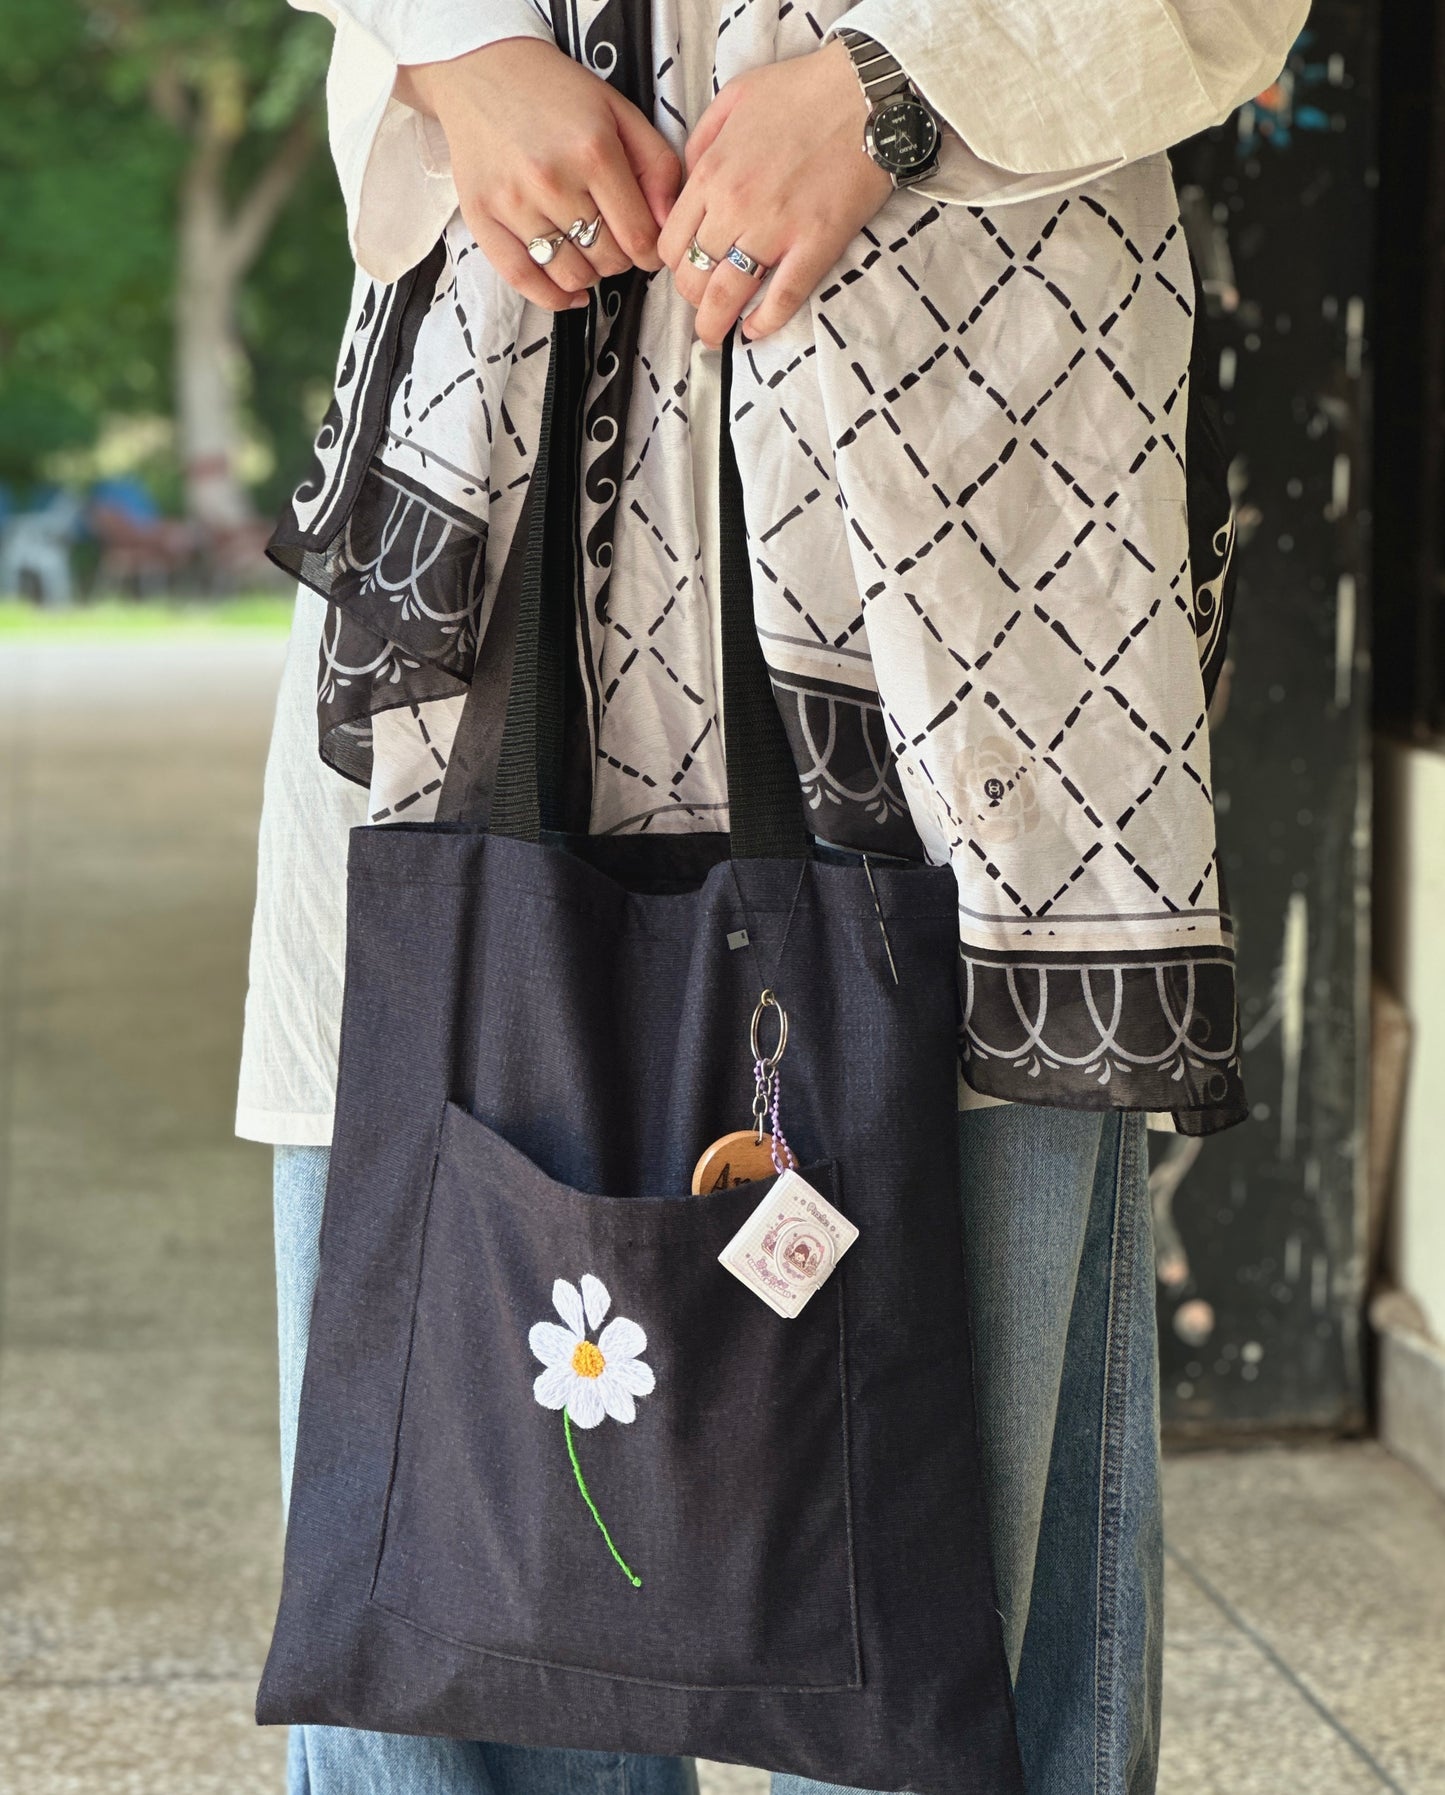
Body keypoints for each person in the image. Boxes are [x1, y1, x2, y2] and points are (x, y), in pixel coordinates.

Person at [238, 3, 1308, 1791]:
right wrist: (457, 50)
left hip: (968, 495)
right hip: (500, 453)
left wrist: (898, 84)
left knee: (950, 1557)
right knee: (465, 1574)